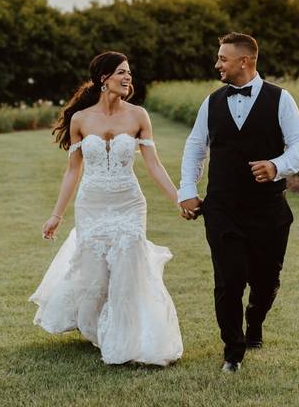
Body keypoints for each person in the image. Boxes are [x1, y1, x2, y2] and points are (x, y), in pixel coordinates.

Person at [29, 51, 184, 366]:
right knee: (96, 275)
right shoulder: (81, 120)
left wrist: (178, 198)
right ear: (103, 78)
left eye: (129, 72)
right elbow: (73, 170)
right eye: (121, 72)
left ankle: (127, 339)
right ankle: (98, 328)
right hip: (92, 204)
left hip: (129, 203)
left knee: (128, 269)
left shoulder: (139, 115)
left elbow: (153, 165)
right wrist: (56, 215)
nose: (128, 78)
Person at [177, 32, 299, 373]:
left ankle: (255, 321)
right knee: (229, 279)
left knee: (266, 280)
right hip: (222, 206)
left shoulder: (280, 99)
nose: (217, 64)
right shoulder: (211, 102)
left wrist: (277, 166)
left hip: (268, 208)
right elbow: (195, 147)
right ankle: (232, 351)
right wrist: (187, 189)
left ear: (245, 61)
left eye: (222, 58)